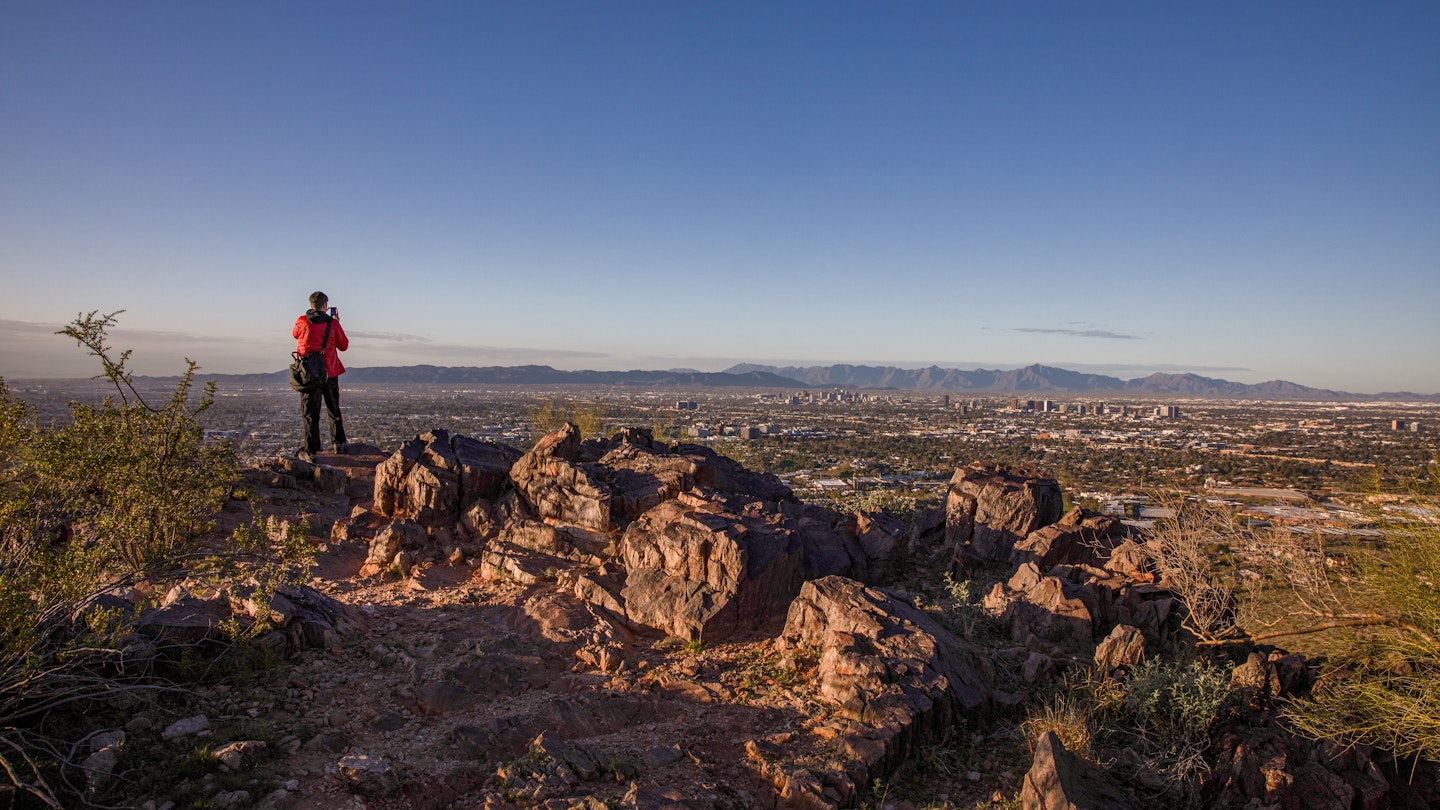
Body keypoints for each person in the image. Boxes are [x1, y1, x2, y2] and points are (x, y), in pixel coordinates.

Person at [293, 291, 349, 461]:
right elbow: (344, 345)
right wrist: (337, 323)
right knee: (333, 408)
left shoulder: (302, 321)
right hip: (329, 371)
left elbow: (295, 334)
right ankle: (338, 443)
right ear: (325, 305)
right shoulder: (332, 324)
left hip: (309, 373)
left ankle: (311, 450)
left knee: (310, 413)